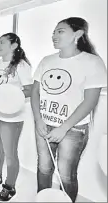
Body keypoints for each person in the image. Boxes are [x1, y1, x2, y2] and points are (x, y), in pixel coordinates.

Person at [31, 17, 107, 203]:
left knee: (66, 176)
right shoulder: (46, 60)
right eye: (54, 32)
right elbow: (35, 93)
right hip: (44, 125)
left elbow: (90, 101)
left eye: (60, 31)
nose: (54, 35)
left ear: (78, 34)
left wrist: (63, 128)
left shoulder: (92, 62)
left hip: (73, 130)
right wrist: (38, 120)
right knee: (43, 168)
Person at [0, 33, 33, 202]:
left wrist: (7, 101)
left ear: (14, 45)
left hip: (11, 117)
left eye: (1, 42)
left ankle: (9, 186)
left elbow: (30, 90)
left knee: (10, 153)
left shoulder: (21, 65)